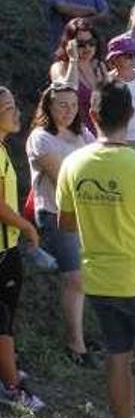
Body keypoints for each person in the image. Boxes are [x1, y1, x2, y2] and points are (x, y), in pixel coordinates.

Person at [57, 83, 135, 418]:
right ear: (131, 114)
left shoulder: (72, 164)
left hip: (98, 282)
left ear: (92, 115)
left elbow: (66, 224)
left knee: (117, 355)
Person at [26, 83, 96, 368]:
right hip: (57, 214)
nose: (68, 111)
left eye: (72, 104)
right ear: (48, 108)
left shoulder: (83, 133)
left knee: (85, 277)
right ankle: (75, 345)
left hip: (87, 212)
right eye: (61, 105)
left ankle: (81, 332)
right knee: (74, 278)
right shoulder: (40, 138)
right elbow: (62, 182)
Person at [0, 87, 47, 412]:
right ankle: (13, 387)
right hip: (2, 251)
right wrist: (27, 226)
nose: (17, 112)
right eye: (8, 107)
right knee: (2, 325)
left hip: (7, 248)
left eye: (15, 105)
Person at [49, 18, 108, 135]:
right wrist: (73, 60)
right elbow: (68, 91)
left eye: (91, 43)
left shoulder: (100, 67)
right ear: (70, 44)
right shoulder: (59, 67)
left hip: (99, 133)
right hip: (73, 134)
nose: (87, 48)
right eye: (81, 44)